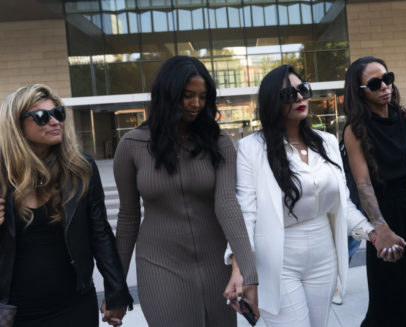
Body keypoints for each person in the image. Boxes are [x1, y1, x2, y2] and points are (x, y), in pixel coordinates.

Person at [113, 55, 258, 327]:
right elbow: (128, 217)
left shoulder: (219, 142)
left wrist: (248, 272)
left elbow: (228, 204)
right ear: (167, 95)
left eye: (203, 97)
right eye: (188, 95)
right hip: (160, 264)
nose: (196, 104)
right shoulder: (131, 145)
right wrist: (115, 286)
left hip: (216, 264)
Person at [231, 64, 375, 326]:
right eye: (289, 94)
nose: (299, 98)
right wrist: (240, 269)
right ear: (272, 102)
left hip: (324, 256)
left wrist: (372, 232)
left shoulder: (327, 142)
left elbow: (342, 203)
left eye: (303, 90)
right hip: (278, 260)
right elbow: (246, 213)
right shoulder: (251, 148)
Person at [0, 84, 133, 327]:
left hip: (75, 305)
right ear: (16, 125)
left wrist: (117, 290)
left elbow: (100, 233)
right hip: (16, 311)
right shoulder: (2, 177)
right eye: (42, 116)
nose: (54, 121)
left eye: (58, 113)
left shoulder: (80, 169)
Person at [342, 56, 406, 326]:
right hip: (386, 211)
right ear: (359, 91)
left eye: (388, 78)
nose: (385, 86)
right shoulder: (356, 129)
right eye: (375, 83)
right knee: (390, 301)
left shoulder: (405, 119)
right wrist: (379, 227)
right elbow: (363, 182)